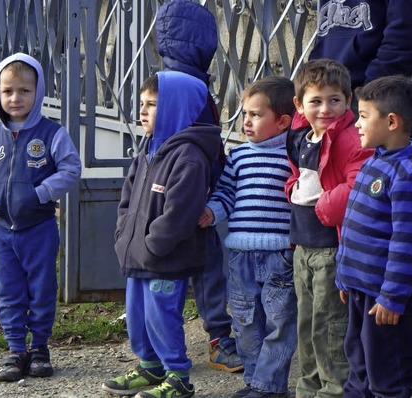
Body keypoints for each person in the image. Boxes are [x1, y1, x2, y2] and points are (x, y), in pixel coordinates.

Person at [101, 71, 222, 398]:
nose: (142, 111)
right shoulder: (147, 150)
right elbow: (127, 198)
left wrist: (154, 243)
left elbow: (181, 211)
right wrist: (124, 233)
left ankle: (178, 376)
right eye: (142, 104)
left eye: (152, 105)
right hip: (139, 254)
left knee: (161, 316)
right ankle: (151, 366)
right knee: (138, 316)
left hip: (165, 258)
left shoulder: (189, 156)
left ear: (178, 109)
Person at [0, 53, 82, 382]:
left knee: (42, 288)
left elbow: (71, 170)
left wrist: (40, 194)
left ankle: (39, 348)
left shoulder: (51, 134)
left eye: (24, 91)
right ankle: (15, 348)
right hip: (2, 231)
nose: (15, 98)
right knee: (9, 289)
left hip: (39, 228)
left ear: (38, 92)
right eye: (7, 91)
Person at [308, 0, 412, 254]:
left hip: (368, 95)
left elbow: (408, 35)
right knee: (337, 181)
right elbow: (326, 34)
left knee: (377, 194)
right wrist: (316, 82)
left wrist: (369, 91)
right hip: (331, 92)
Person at [154, 0, 242, 373]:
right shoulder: (193, 86)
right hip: (196, 194)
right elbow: (208, 144)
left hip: (165, 198)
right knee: (205, 269)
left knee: (167, 272)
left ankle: (158, 349)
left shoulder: (166, 82)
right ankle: (217, 338)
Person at [198, 76, 297, 398]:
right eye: (245, 114)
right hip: (240, 254)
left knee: (279, 324)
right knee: (244, 321)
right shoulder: (239, 156)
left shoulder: (293, 155)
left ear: (282, 121)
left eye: (256, 115)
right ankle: (255, 382)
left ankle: (269, 386)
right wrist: (212, 212)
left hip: (280, 255)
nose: (247, 121)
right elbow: (226, 193)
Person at [335, 75, 412, 397]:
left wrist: (392, 296)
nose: (356, 125)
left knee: (387, 376)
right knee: (358, 369)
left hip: (383, 299)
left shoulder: (409, 174)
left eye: (363, 117)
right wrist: (344, 275)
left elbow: (407, 243)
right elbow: (354, 227)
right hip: (360, 289)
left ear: (392, 121)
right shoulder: (375, 161)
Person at [286, 58, 373, 398]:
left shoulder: (351, 138)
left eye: (334, 100)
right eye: (316, 101)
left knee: (330, 328)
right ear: (299, 105)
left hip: (332, 248)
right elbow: (299, 175)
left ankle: (334, 390)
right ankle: (308, 388)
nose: (326, 108)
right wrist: (292, 187)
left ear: (348, 100)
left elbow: (358, 186)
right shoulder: (300, 137)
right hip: (303, 247)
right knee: (306, 326)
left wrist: (323, 204)